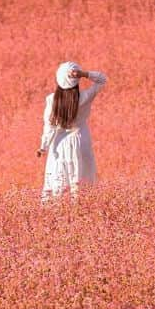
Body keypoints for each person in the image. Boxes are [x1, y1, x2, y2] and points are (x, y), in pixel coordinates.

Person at [37, 61, 108, 203]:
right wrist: (83, 74)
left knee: (59, 177)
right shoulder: (84, 97)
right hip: (81, 139)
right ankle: (81, 206)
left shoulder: (52, 100)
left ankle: (60, 208)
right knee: (82, 176)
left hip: (59, 143)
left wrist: (43, 147)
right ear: (76, 80)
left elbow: (49, 126)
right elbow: (102, 79)